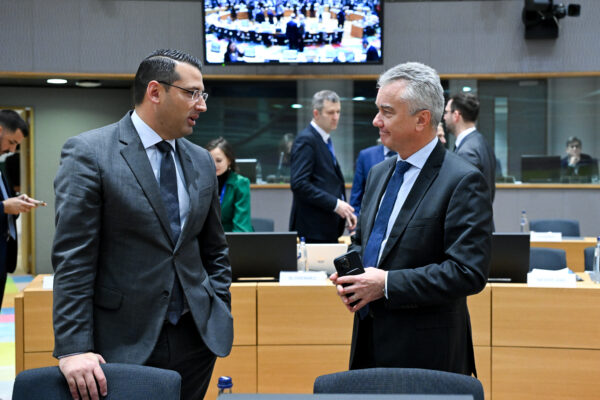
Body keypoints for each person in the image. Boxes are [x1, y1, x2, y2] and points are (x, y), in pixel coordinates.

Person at [52, 49, 233, 400]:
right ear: (155, 92)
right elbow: (73, 259)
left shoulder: (200, 160)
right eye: (192, 93)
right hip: (122, 342)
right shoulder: (90, 153)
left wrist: (218, 308)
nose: (202, 105)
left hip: (197, 339)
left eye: (203, 95)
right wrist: (73, 347)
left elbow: (214, 248)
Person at [330, 62, 492, 376]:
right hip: (368, 342)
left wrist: (386, 284)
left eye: (387, 112)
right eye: (377, 110)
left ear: (422, 119)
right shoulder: (379, 173)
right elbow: (364, 241)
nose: (376, 120)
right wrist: (354, 279)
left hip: (427, 354)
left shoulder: (462, 180)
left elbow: (467, 272)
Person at [289, 90, 357, 243]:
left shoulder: (323, 139)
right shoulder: (306, 140)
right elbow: (299, 184)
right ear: (316, 113)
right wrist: (336, 204)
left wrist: (343, 209)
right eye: (330, 112)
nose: (336, 117)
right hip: (312, 230)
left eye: (338, 112)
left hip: (326, 227)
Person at [0, 110, 45, 309]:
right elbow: (3, 205)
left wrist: (17, 201)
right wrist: (3, 207)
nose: (12, 150)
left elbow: (4, 201)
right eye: (11, 142)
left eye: (16, 145)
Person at [444, 93, 496, 202]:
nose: (444, 117)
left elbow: (464, 199)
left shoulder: (466, 152)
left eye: (446, 112)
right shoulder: (481, 141)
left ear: (456, 115)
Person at [206, 137, 253, 232]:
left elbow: (241, 227)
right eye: (210, 161)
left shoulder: (240, 183)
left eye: (218, 160)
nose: (214, 165)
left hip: (232, 237)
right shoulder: (201, 183)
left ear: (229, 160)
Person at [349, 140, 396, 216]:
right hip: (371, 218)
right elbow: (357, 192)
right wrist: (355, 216)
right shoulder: (366, 155)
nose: (382, 134)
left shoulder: (410, 155)